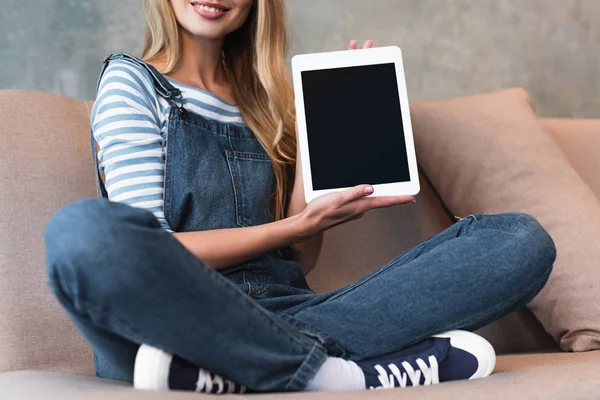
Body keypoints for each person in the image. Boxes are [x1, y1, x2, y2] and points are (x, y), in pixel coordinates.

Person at [44, 0, 556, 394]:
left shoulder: (268, 102)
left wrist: (320, 137)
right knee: (81, 232)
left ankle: (232, 369)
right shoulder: (132, 82)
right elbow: (150, 252)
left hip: (287, 313)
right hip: (173, 318)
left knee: (519, 240)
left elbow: (299, 261)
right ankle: (344, 376)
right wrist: (294, 228)